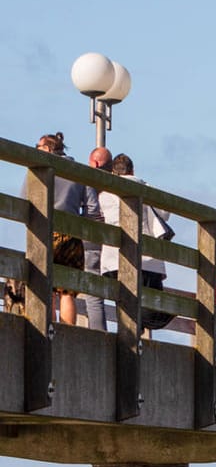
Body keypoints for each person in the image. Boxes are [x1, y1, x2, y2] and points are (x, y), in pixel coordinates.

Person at [97, 154, 175, 334]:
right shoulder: (147, 188)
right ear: (132, 170)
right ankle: (138, 333)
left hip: (113, 259)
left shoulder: (106, 194)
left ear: (114, 173)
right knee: (148, 304)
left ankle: (128, 335)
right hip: (147, 259)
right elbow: (165, 213)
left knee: (123, 300)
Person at [21, 133, 91, 326]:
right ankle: (68, 331)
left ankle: (47, 329)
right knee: (67, 291)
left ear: (47, 149)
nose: (35, 148)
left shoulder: (38, 168)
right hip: (72, 235)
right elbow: (91, 207)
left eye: (38, 145)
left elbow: (24, 199)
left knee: (47, 288)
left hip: (45, 233)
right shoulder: (77, 171)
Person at [79, 146, 111, 330]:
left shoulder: (88, 180)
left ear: (95, 163)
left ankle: (98, 332)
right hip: (112, 243)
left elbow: (91, 209)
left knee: (93, 293)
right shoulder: (117, 184)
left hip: (91, 239)